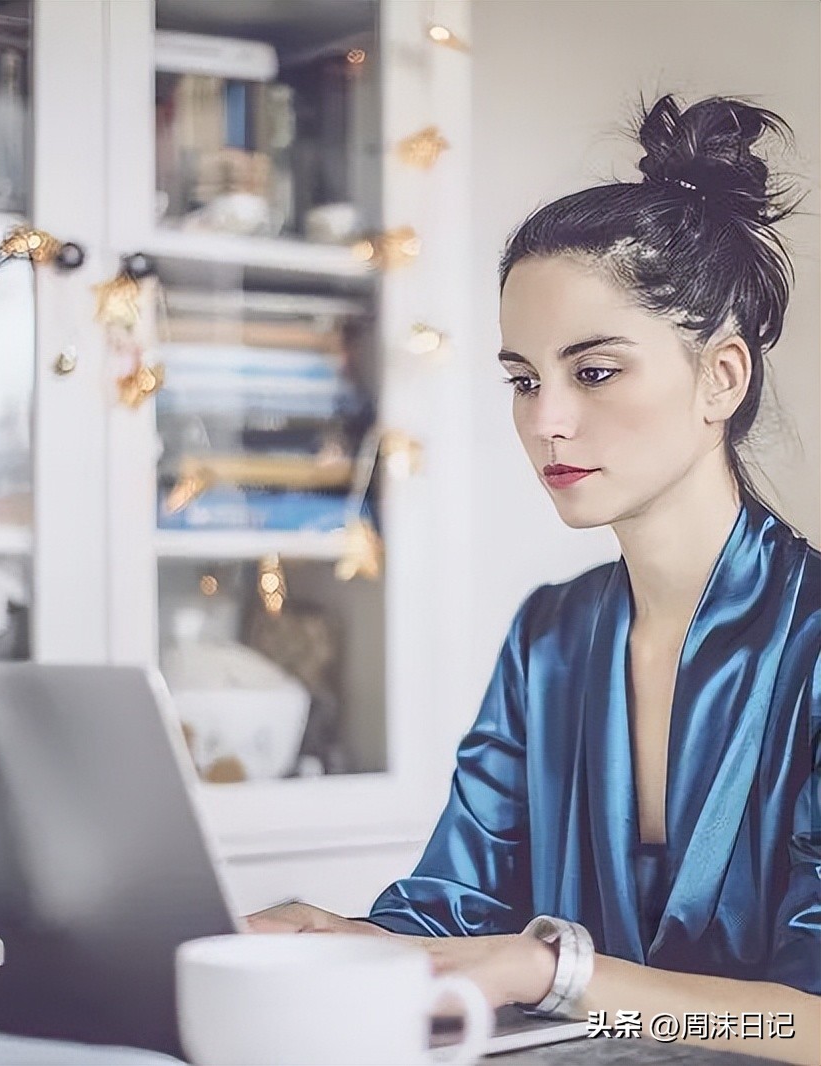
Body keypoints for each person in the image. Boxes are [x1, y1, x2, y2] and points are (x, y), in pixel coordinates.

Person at [248, 93, 820, 1065]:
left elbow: (800, 1022)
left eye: (591, 372)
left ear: (719, 378)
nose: (545, 419)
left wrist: (550, 970)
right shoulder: (547, 640)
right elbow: (450, 909)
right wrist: (343, 945)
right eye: (522, 379)